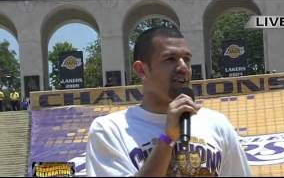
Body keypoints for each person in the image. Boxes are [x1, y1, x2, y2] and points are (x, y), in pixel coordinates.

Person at [86, 27, 252, 177]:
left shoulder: (217, 124)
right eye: (170, 59)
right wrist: (167, 139)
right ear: (142, 70)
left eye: (186, 59)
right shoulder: (109, 130)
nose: (183, 67)